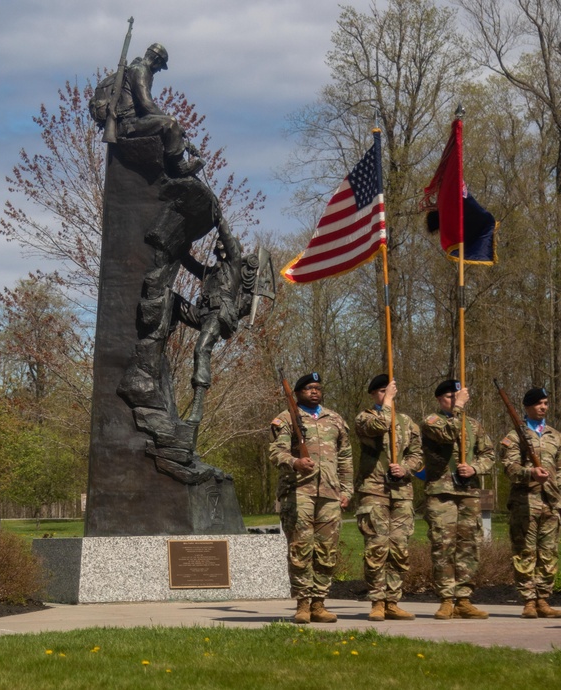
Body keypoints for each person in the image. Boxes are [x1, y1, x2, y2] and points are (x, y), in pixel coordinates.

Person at [270, 372, 353, 624]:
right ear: (297, 393)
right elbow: (276, 452)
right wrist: (295, 461)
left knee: (327, 551)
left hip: (329, 494)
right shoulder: (286, 419)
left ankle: (319, 603)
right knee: (300, 550)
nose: (314, 391)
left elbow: (345, 457)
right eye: (308, 388)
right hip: (299, 493)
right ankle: (303, 604)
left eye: (317, 387)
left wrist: (347, 490)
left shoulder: (335, 419)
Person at [420, 380, 495, 620]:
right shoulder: (432, 421)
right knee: (443, 545)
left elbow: (489, 454)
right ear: (440, 399)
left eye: (458, 396)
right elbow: (448, 433)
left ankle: (463, 599)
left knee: (469, 546)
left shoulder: (473, 425)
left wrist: (474, 468)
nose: (454, 401)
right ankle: (445, 599)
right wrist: (459, 407)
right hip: (442, 493)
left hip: (468, 492)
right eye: (450, 397)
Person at [354, 375, 423, 621]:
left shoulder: (407, 422)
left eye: (389, 391)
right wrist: (388, 403)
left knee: (399, 549)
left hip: (401, 493)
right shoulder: (365, 417)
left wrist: (405, 467)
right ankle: (377, 601)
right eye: (382, 392)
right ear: (374, 394)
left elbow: (417, 454)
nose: (387, 395)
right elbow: (377, 427)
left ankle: (393, 601)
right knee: (376, 548)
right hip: (374, 491)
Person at [177, 216, 258, 423]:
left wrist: (217, 218)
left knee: (201, 349)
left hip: (219, 314)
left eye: (223, 242)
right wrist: (179, 242)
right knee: (172, 301)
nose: (219, 243)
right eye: (218, 243)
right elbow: (188, 261)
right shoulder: (210, 272)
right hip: (203, 314)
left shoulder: (233, 265)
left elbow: (228, 238)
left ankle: (197, 407)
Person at [499, 387, 561, 619]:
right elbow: (510, 468)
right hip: (524, 503)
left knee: (548, 553)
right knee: (525, 552)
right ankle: (528, 601)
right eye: (539, 403)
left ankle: (543, 599)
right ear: (527, 407)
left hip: (551, 503)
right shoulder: (515, 436)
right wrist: (530, 473)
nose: (543, 407)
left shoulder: (556, 437)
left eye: (546, 403)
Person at [95, 42, 203, 177]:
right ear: (157, 60)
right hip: (127, 125)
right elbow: (147, 105)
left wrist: (179, 138)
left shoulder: (135, 69)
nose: (158, 71)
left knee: (168, 125)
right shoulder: (140, 70)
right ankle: (179, 167)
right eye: (160, 67)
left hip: (132, 122)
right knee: (169, 124)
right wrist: (175, 126)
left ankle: (171, 165)